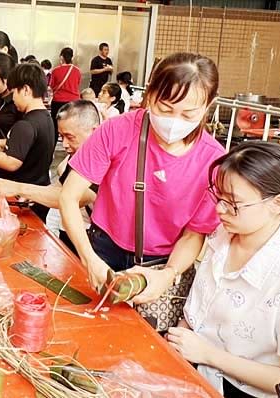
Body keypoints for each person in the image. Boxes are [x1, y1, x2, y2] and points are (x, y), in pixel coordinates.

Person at [59, 52, 225, 305]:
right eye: (164, 108)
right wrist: (89, 258)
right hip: (103, 247)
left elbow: (194, 234)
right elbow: (69, 196)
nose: (173, 122)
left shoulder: (214, 161)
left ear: (208, 106)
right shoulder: (116, 130)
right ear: (149, 94)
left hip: (162, 263)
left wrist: (168, 275)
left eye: (188, 114)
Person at [168, 141, 280, 397]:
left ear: (277, 204)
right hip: (187, 368)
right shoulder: (223, 234)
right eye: (218, 196)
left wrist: (208, 354)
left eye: (233, 203)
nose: (219, 209)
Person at [0, 100, 100, 253]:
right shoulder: (77, 155)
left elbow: (71, 197)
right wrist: (35, 195)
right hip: (70, 231)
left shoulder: (99, 160)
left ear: (94, 131)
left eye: (70, 137)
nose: (65, 144)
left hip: (93, 239)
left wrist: (19, 188)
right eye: (62, 137)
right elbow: (61, 186)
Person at [0, 63, 55, 222]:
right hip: (38, 195)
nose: (12, 98)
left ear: (26, 90)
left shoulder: (25, 124)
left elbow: (11, 162)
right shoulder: (46, 119)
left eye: (14, 92)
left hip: (22, 200)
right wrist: (0, 145)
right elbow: (24, 147)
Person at [50, 47, 81, 143]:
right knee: (73, 126)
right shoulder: (77, 71)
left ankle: (52, 148)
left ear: (61, 57)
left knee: (55, 126)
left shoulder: (55, 71)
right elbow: (77, 84)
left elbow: (52, 86)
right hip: (73, 102)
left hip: (58, 101)